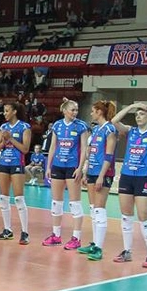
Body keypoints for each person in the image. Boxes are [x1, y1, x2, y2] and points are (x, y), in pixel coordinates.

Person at [109, 102, 147, 268]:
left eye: (141, 114)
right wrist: (132, 107)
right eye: (136, 115)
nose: (138, 117)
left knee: (144, 217)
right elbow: (114, 121)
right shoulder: (131, 131)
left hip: (143, 177)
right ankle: (127, 251)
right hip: (127, 176)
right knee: (126, 215)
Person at [42, 98, 89, 249]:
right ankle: (56, 235)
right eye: (72, 110)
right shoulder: (57, 125)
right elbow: (53, 147)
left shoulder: (81, 126)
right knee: (56, 202)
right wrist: (48, 167)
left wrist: (80, 168)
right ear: (64, 111)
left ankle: (76, 238)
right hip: (57, 166)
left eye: (76, 110)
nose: (75, 112)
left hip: (72, 167)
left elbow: (84, 149)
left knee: (75, 203)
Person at [78, 101, 118, 261]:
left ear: (100, 112)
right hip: (92, 172)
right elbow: (91, 152)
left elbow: (109, 155)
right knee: (93, 209)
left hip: (104, 173)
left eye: (93, 111)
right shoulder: (95, 130)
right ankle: (94, 243)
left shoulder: (110, 129)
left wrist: (102, 175)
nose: (91, 113)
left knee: (100, 209)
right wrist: (86, 172)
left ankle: (99, 248)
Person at [0, 101, 32, 244]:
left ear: (14, 111)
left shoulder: (24, 127)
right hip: (4, 163)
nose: (4, 113)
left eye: (7, 110)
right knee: (3, 198)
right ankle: (7, 230)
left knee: (18, 199)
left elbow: (25, 149)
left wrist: (11, 138)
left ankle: (25, 232)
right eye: (4, 111)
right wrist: (4, 141)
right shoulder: (3, 127)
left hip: (17, 164)